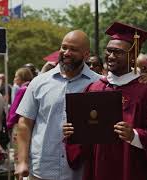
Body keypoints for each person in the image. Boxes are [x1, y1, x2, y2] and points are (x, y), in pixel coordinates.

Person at [63, 22, 147, 180]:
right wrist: (74, 133)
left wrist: (135, 135)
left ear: (133, 55)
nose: (110, 56)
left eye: (118, 52)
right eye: (108, 51)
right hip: (98, 168)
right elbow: (84, 137)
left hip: (133, 168)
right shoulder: (94, 88)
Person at [15, 30, 101, 180]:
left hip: (80, 171)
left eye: (73, 49)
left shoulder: (99, 84)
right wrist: (22, 161)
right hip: (42, 170)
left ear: (86, 55)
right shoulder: (39, 82)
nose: (67, 52)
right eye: (64, 47)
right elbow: (25, 123)